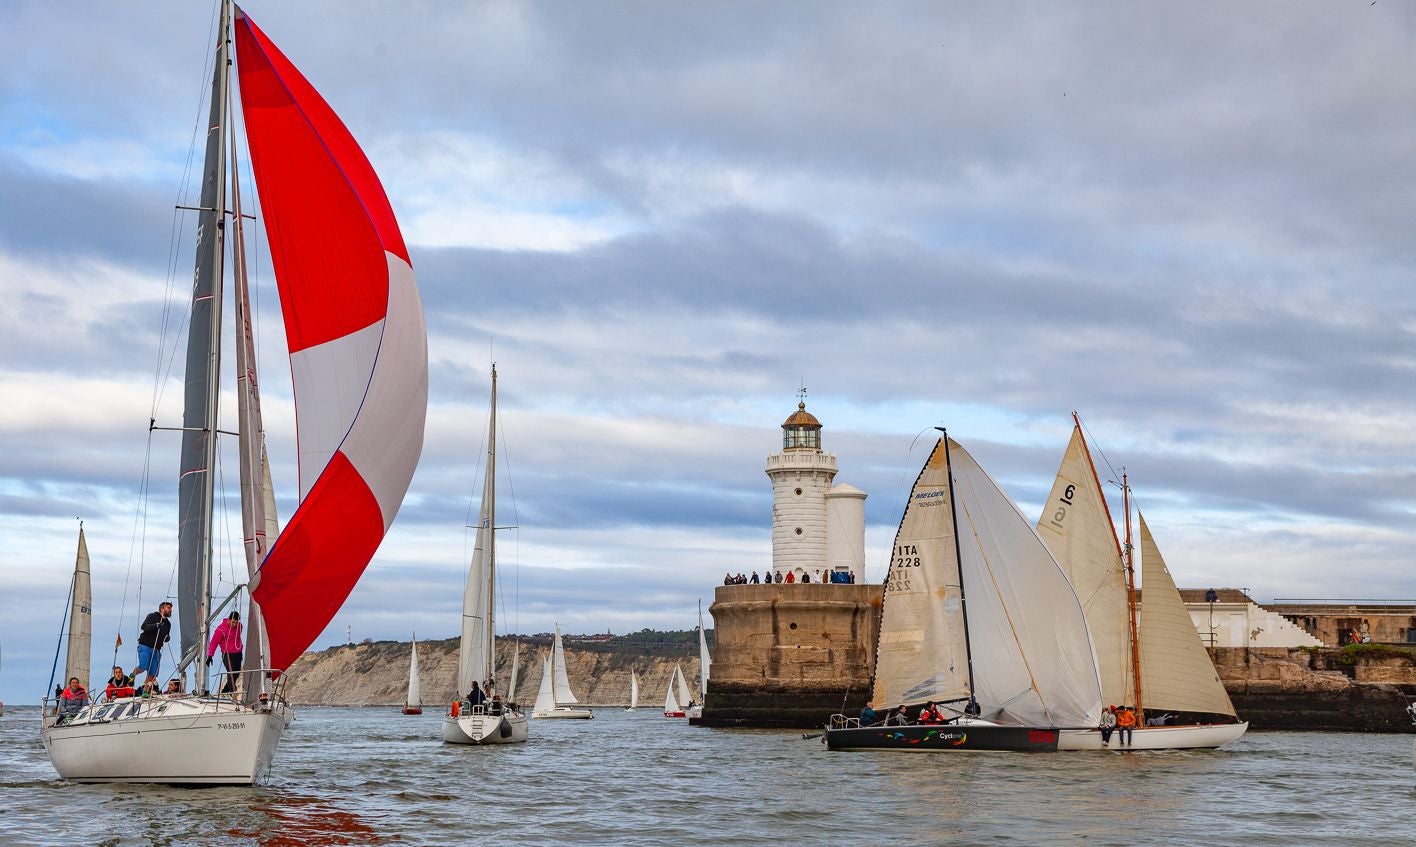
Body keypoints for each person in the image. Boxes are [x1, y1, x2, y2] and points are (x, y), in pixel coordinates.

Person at [133, 601, 173, 685]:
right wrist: (156, 625)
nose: (170, 610)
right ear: (162, 609)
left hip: (157, 650)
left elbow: (166, 636)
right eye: (168, 608)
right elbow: (144, 627)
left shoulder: (168, 624)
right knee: (143, 666)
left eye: (171, 608)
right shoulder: (152, 616)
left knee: (152, 673)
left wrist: (167, 638)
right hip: (145, 646)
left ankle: (145, 692)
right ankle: (132, 676)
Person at [207, 610, 245, 695]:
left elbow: (237, 635)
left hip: (238, 653)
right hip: (227, 654)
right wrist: (210, 656)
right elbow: (214, 643)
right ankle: (233, 691)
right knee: (231, 671)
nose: (234, 624)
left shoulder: (240, 626)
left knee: (237, 673)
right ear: (229, 619)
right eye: (233, 622)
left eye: (236, 622)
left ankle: (224, 691)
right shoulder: (221, 629)